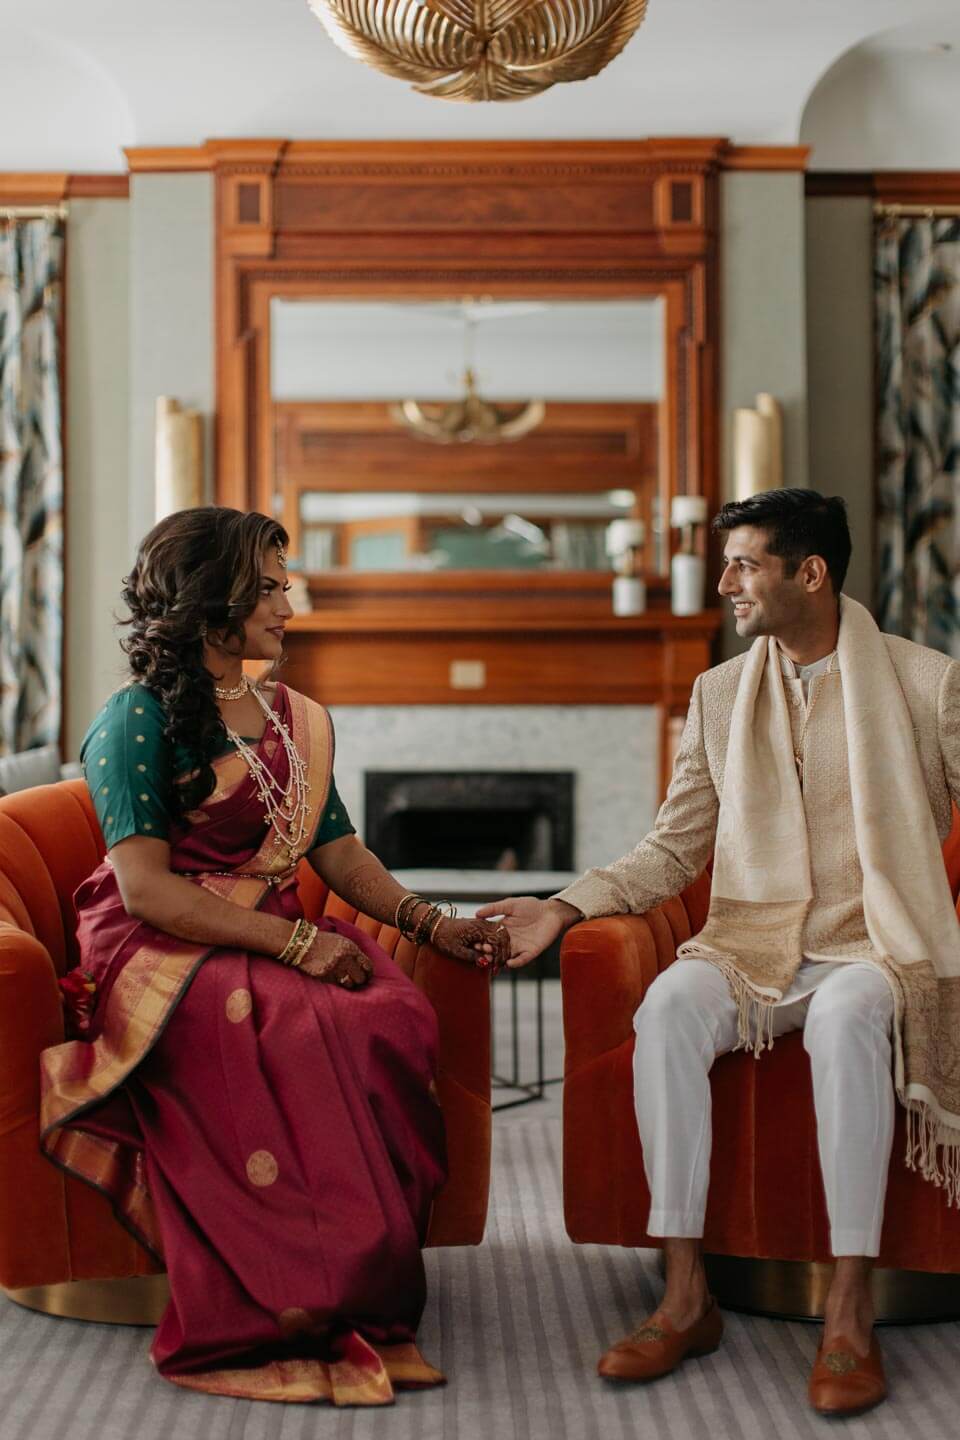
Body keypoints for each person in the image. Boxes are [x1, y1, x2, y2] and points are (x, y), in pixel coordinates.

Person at [479, 489, 960, 1417]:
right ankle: (685, 1293)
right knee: (666, 1007)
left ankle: (849, 1306)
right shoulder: (720, 693)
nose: (726, 583)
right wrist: (562, 907)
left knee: (849, 1017)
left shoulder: (928, 684)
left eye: (744, 564)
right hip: (750, 939)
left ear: (809, 573)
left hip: (876, 944)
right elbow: (673, 849)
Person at [40, 506, 508, 1407]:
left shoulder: (292, 717)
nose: (287, 606)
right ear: (209, 599)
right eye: (266, 589)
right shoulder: (135, 717)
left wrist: (432, 923)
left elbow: (340, 854)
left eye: (284, 586)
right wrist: (298, 944)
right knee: (296, 1026)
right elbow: (145, 890)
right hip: (164, 942)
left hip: (271, 927)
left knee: (392, 1013)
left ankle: (367, 1275)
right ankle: (299, 1297)